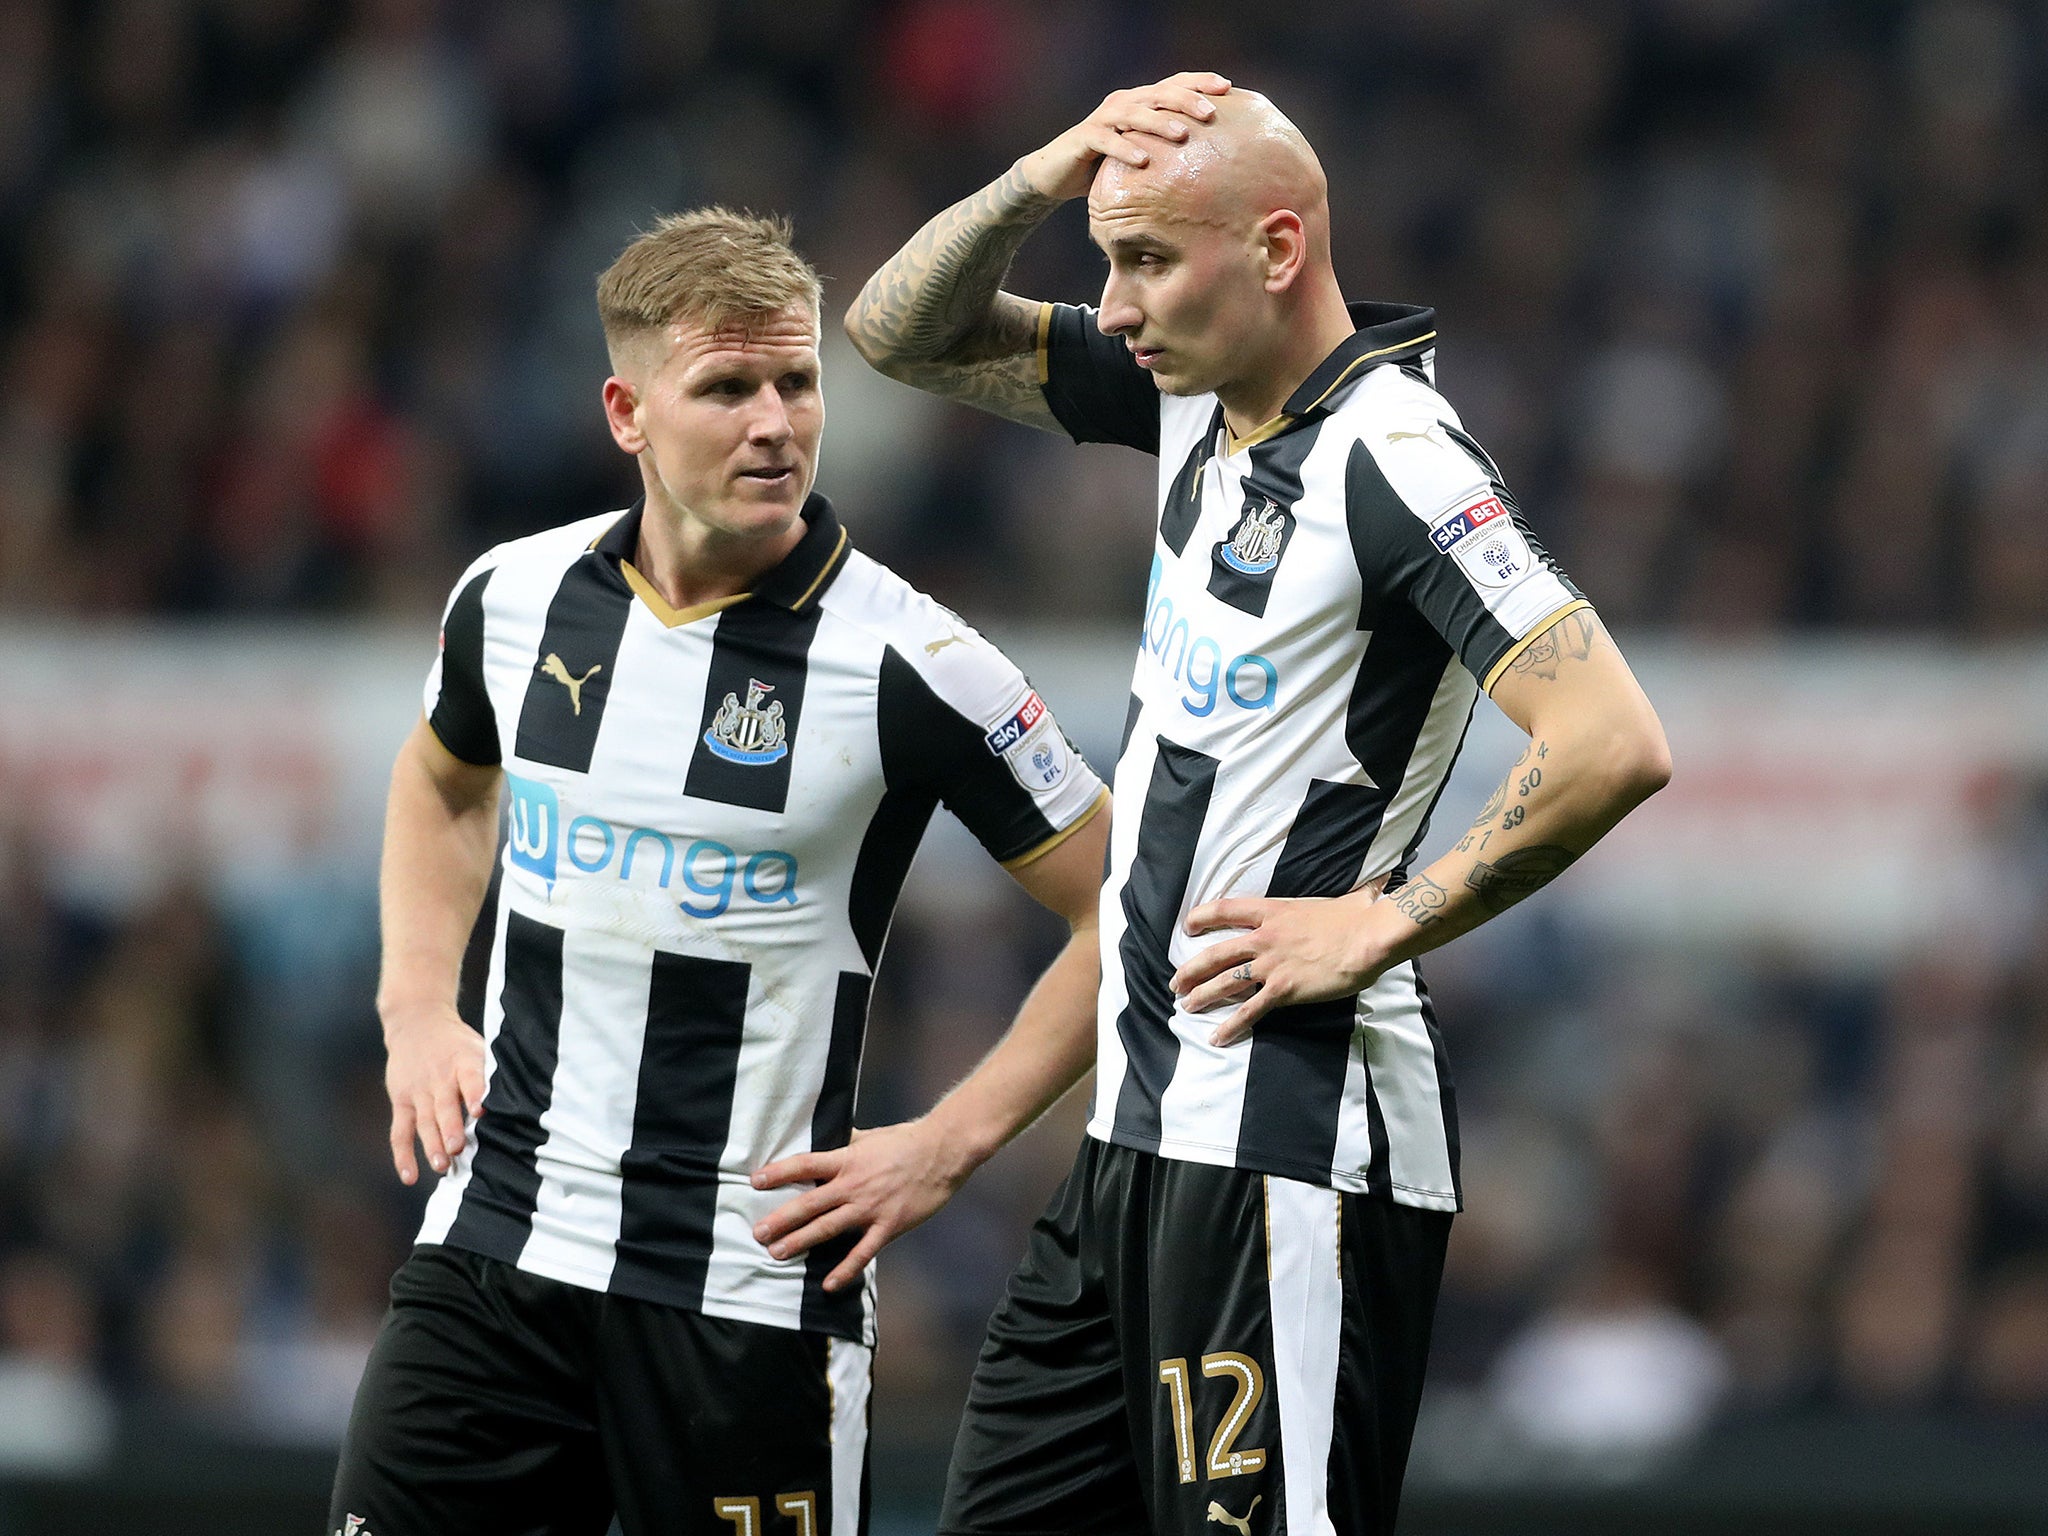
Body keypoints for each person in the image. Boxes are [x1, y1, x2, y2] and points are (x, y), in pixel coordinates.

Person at [822, 75, 1673, 1535]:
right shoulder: (1191, 399)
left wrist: (1379, 924)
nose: (1118, 301)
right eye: (1107, 259)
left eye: (1146, 258)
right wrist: (1048, 169)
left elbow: (1611, 738)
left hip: (1293, 1142)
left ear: (1278, 249)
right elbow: (896, 331)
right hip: (1135, 1148)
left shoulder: (1394, 455)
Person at [329, 208, 1112, 1536]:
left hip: (746, 1300)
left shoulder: (916, 664)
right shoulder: (513, 600)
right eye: (728, 387)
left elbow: (1130, 902)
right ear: (627, 411)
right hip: (499, 1244)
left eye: (797, 381)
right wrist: (415, 1004)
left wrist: (951, 1143)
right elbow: (442, 779)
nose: (775, 422)